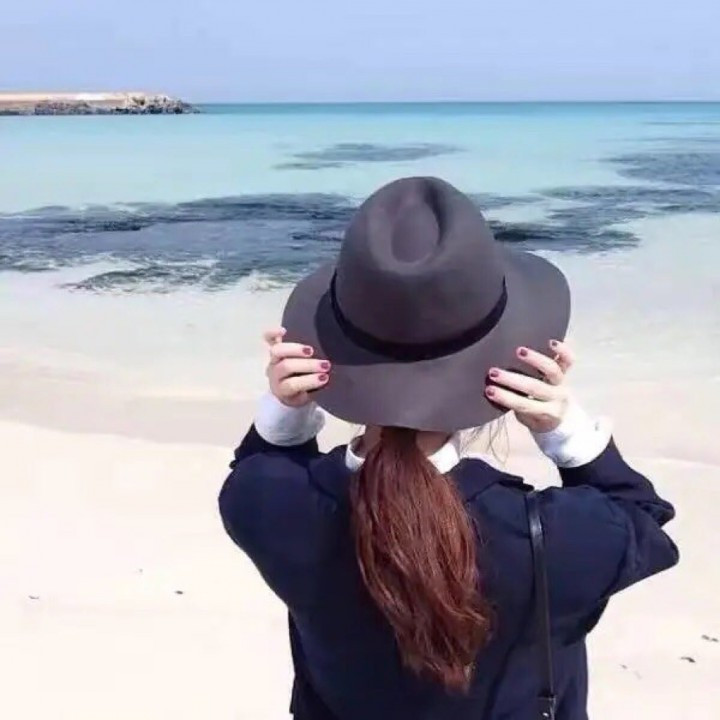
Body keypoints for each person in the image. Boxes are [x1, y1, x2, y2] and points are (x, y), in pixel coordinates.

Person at [218, 177, 678, 720]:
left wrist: (286, 413)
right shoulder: (553, 538)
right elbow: (643, 519)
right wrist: (562, 427)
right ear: (507, 363)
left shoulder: (269, 508)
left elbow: (259, 468)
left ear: (324, 356)